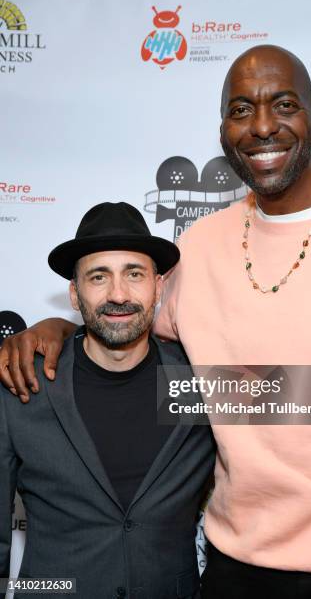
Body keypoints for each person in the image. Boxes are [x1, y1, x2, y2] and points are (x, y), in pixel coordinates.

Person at [1, 44, 311, 598]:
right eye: (241, 111)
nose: (262, 126)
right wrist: (61, 330)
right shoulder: (197, 247)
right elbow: (123, 323)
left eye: (283, 105)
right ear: (222, 135)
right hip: (235, 569)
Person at [0, 202, 214, 599]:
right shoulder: (24, 384)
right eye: (99, 277)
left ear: (159, 287)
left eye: (134, 274)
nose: (118, 294)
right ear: (74, 294)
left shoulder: (195, 382)